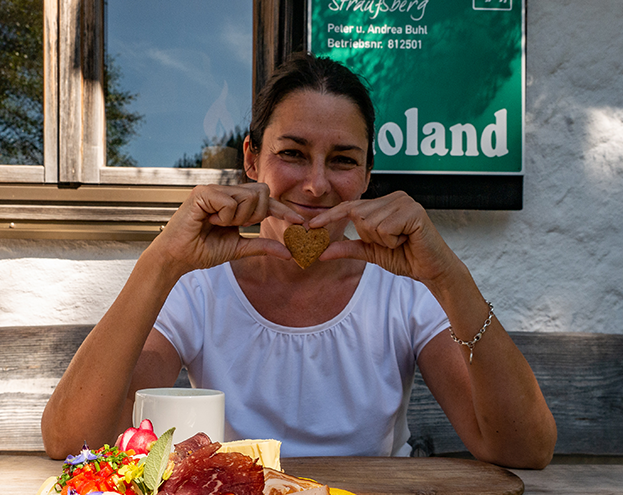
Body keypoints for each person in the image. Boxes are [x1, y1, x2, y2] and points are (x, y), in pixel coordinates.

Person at [42, 53, 556, 469]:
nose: (315, 184)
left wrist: (448, 275)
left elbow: (522, 449)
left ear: (367, 175)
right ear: (251, 159)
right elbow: (73, 439)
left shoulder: (403, 287)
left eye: (343, 160)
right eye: (292, 153)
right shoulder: (201, 287)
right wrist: (160, 262)